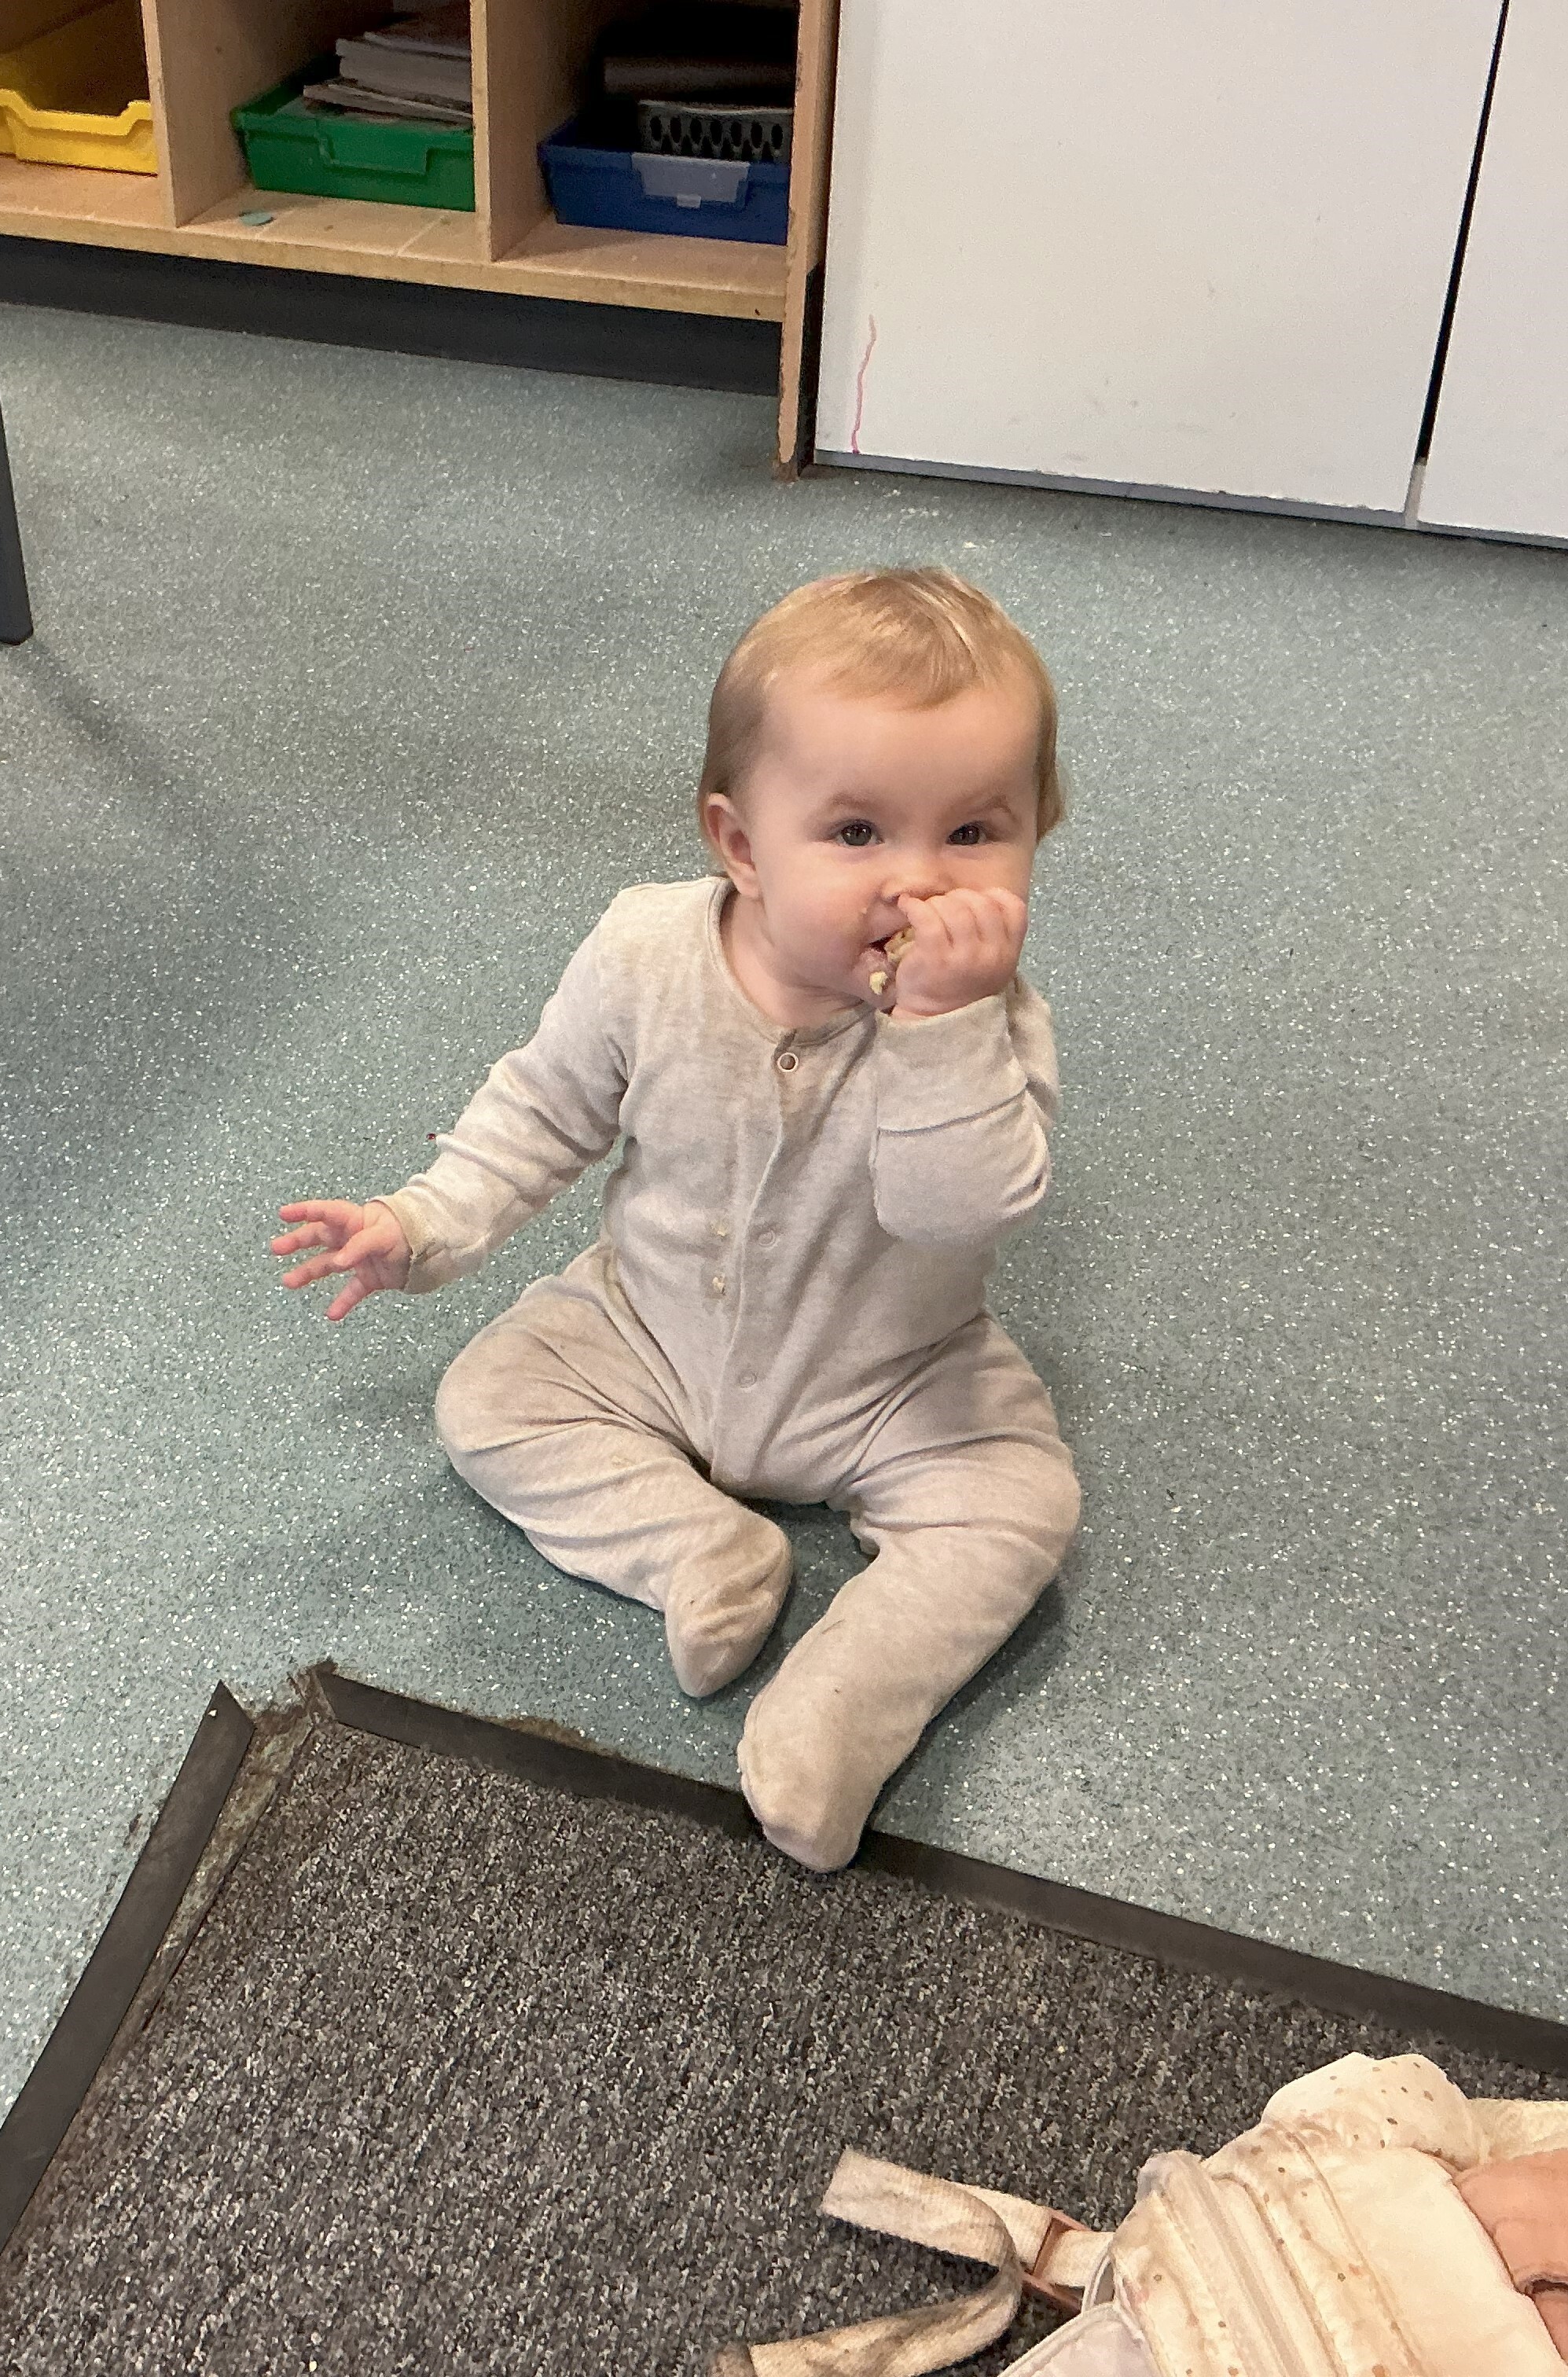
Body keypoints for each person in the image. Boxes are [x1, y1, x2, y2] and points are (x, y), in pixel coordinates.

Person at [270, 568, 1081, 1870]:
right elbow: (544, 1108)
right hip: (646, 1331)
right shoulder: (644, 955)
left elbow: (956, 1213)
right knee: (488, 1399)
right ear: (743, 846)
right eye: (858, 832)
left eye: (976, 833)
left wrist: (942, 1030)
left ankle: (838, 1710)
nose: (919, 885)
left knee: (1024, 1505)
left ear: (1038, 835)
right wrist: (424, 1221)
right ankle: (701, 1552)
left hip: (893, 1372)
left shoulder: (991, 1025)